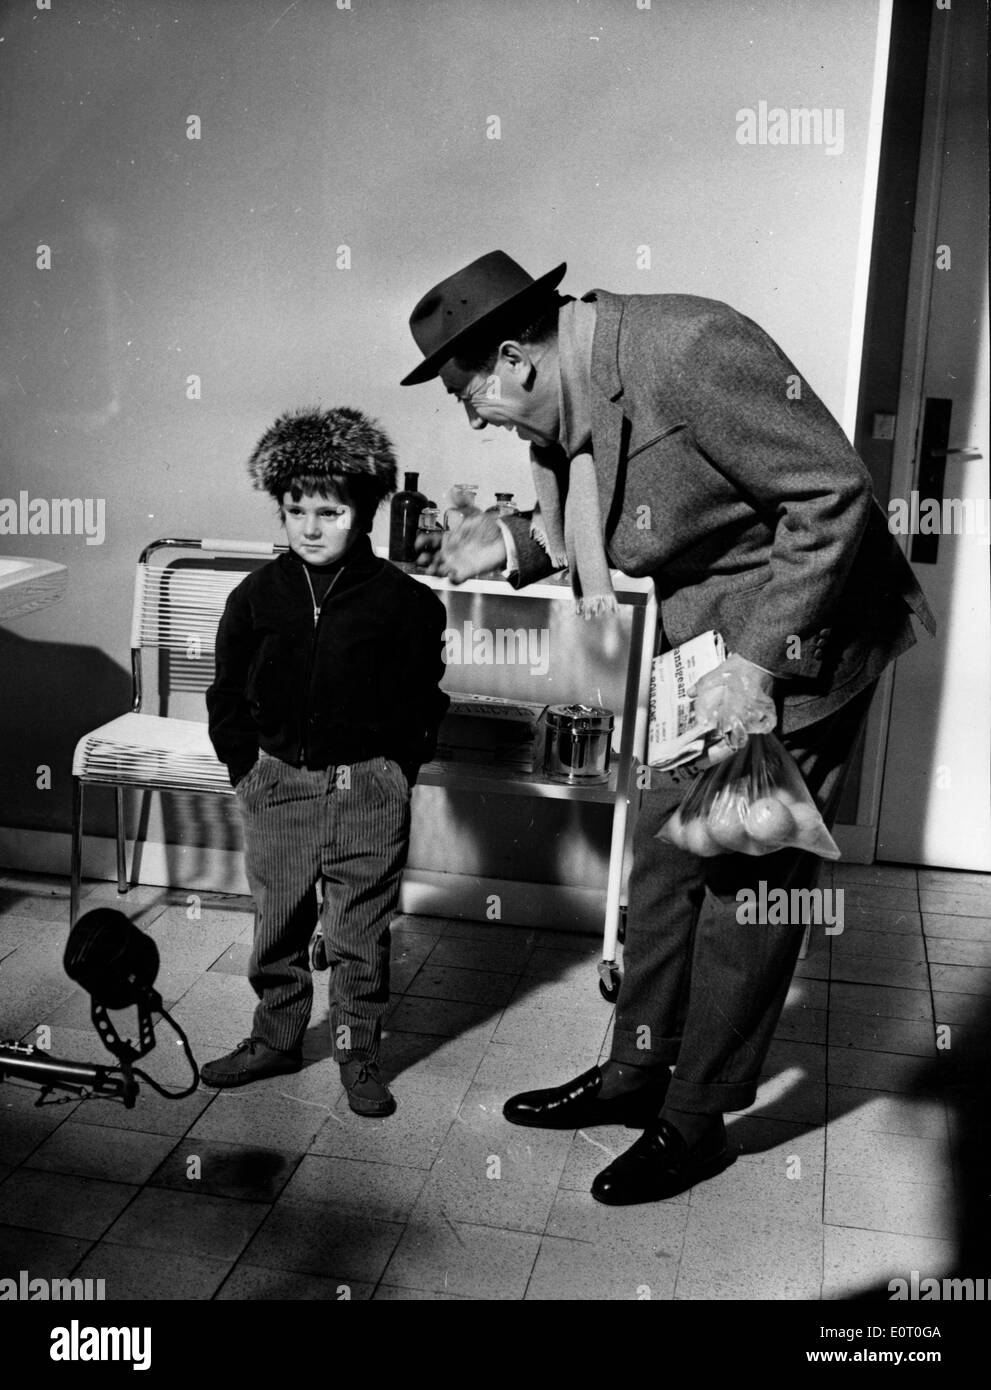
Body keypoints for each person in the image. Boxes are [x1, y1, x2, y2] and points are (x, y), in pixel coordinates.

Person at [401, 251, 935, 1202]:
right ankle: (633, 1075)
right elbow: (616, 510)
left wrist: (754, 664)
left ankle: (695, 1122)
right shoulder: (583, 393)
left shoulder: (687, 347)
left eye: (467, 398)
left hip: (801, 641)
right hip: (698, 649)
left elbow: (831, 492)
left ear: (514, 360)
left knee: (742, 887)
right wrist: (515, 540)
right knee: (660, 865)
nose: (475, 419)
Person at [202, 406, 449, 1116]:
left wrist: (398, 769)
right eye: (296, 510)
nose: (311, 527)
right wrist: (243, 766)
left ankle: (358, 1052)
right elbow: (225, 691)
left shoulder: (405, 604)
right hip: (276, 783)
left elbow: (422, 700)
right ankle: (275, 1040)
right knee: (276, 923)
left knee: (358, 934)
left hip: (368, 789)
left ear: (363, 512)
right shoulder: (255, 597)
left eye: (330, 511)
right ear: (280, 512)